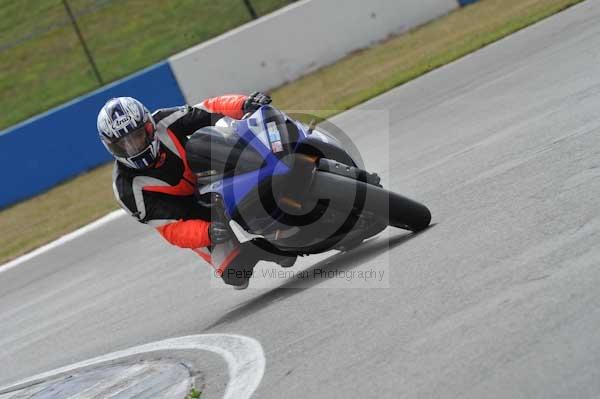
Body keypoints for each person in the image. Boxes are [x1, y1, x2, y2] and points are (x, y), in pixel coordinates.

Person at [96, 93, 291, 289]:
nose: (133, 147)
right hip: (190, 215)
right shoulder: (127, 190)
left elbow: (209, 109)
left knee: (203, 141)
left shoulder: (165, 121)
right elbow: (171, 228)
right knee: (236, 274)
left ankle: (274, 182)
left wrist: (243, 103)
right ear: (111, 147)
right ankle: (263, 250)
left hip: (211, 176)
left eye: (137, 136)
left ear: (148, 126)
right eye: (124, 144)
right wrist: (207, 232)